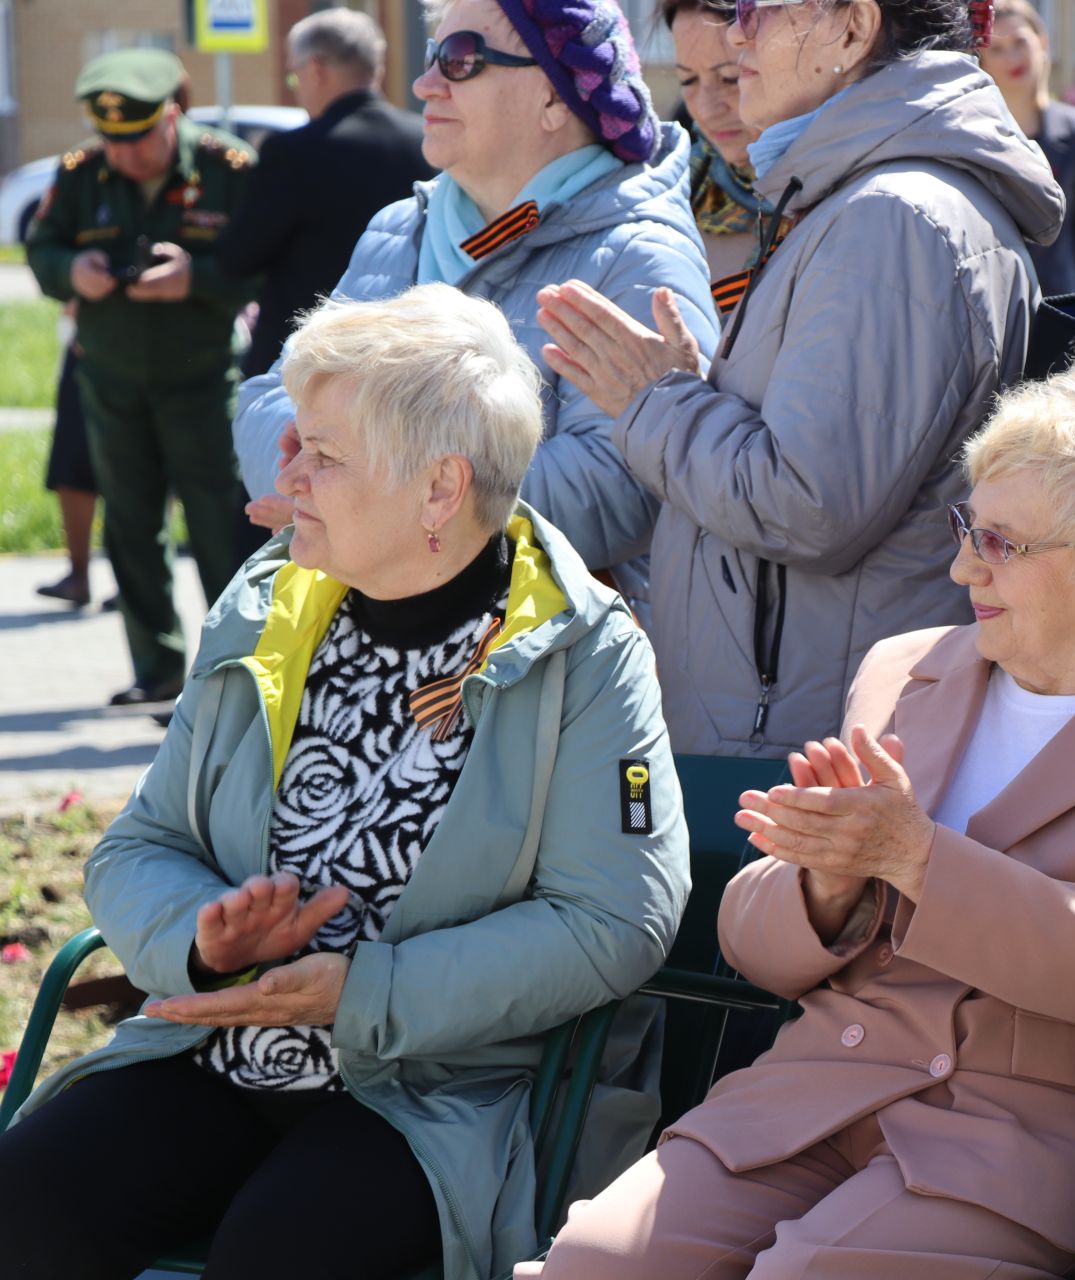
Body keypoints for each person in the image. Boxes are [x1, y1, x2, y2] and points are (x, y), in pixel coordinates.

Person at [0, 285, 691, 1280]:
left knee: (282, 1251)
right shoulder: (268, 601)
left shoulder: (582, 653)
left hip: (438, 1091)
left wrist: (363, 990)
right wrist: (202, 935)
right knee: (26, 1201)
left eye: (324, 454)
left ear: (439, 489)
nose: (292, 476)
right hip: (221, 1052)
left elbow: (616, 918)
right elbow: (138, 846)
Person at [521, 353, 1075, 1280]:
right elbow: (756, 942)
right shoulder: (902, 669)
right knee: (594, 1261)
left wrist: (918, 861)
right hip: (816, 1092)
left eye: (1001, 544)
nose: (960, 566)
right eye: (967, 529)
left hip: (1020, 1140)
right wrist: (825, 887)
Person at [534, 0, 1063, 759]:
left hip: (810, 745)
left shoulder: (891, 220)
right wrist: (686, 393)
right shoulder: (871, 202)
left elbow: (808, 504)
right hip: (814, 724)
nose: (737, 32)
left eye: (757, 8)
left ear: (853, 27)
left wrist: (656, 401)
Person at [232, 0, 718, 606]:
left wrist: (358, 502)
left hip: (546, 669)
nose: (424, 82)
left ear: (554, 96)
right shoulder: (400, 229)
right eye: (436, 55)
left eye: (462, 60)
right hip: (383, 646)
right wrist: (335, 482)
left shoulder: (636, 256)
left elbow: (621, 492)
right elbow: (268, 399)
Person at [25, 49, 257, 706]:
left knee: (219, 526)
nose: (124, 156)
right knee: (129, 528)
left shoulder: (228, 168)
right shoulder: (81, 174)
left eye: (139, 139)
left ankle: (236, 673)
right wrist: (73, 271)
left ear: (172, 115)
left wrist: (197, 281)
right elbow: (41, 249)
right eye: (111, 141)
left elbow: (267, 263)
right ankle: (157, 672)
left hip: (203, 380)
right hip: (113, 380)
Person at [216, 7, 437, 380]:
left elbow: (236, 259)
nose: (296, 85)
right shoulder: (425, 141)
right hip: (402, 365)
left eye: (294, 74)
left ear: (316, 69)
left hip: (307, 369)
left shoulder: (292, 152)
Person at [979, 0, 1075, 295]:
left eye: (1020, 42)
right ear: (983, 60)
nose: (1012, 56)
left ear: (1042, 42)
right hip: (993, 304)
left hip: (1057, 304)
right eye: (997, 49)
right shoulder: (977, 137)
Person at [664, 0, 772, 285]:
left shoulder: (834, 195)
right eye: (687, 80)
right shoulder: (673, 197)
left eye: (729, 78)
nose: (707, 108)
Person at [33, 335, 100, 607]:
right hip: (94, 332)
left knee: (149, 467)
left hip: (163, 341)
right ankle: (78, 574)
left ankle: (143, 584)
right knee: (72, 455)